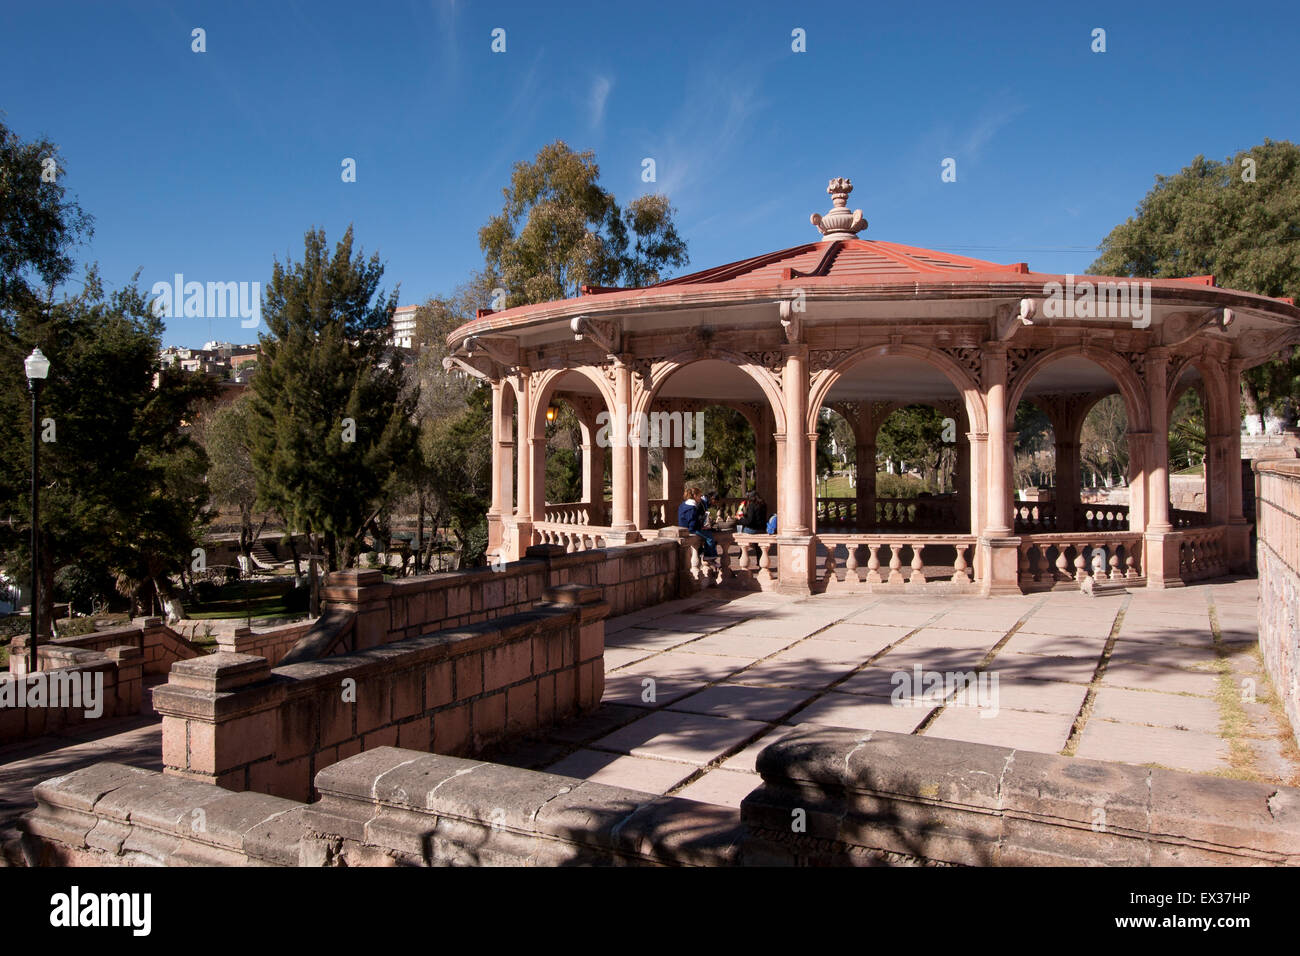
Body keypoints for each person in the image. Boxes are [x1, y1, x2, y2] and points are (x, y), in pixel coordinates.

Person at [677, 486, 717, 558]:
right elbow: (692, 524)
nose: (700, 498)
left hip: (683, 527)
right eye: (699, 496)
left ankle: (702, 552)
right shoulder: (692, 508)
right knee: (709, 537)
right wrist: (702, 526)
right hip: (690, 529)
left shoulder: (683, 505)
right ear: (694, 496)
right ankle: (710, 556)